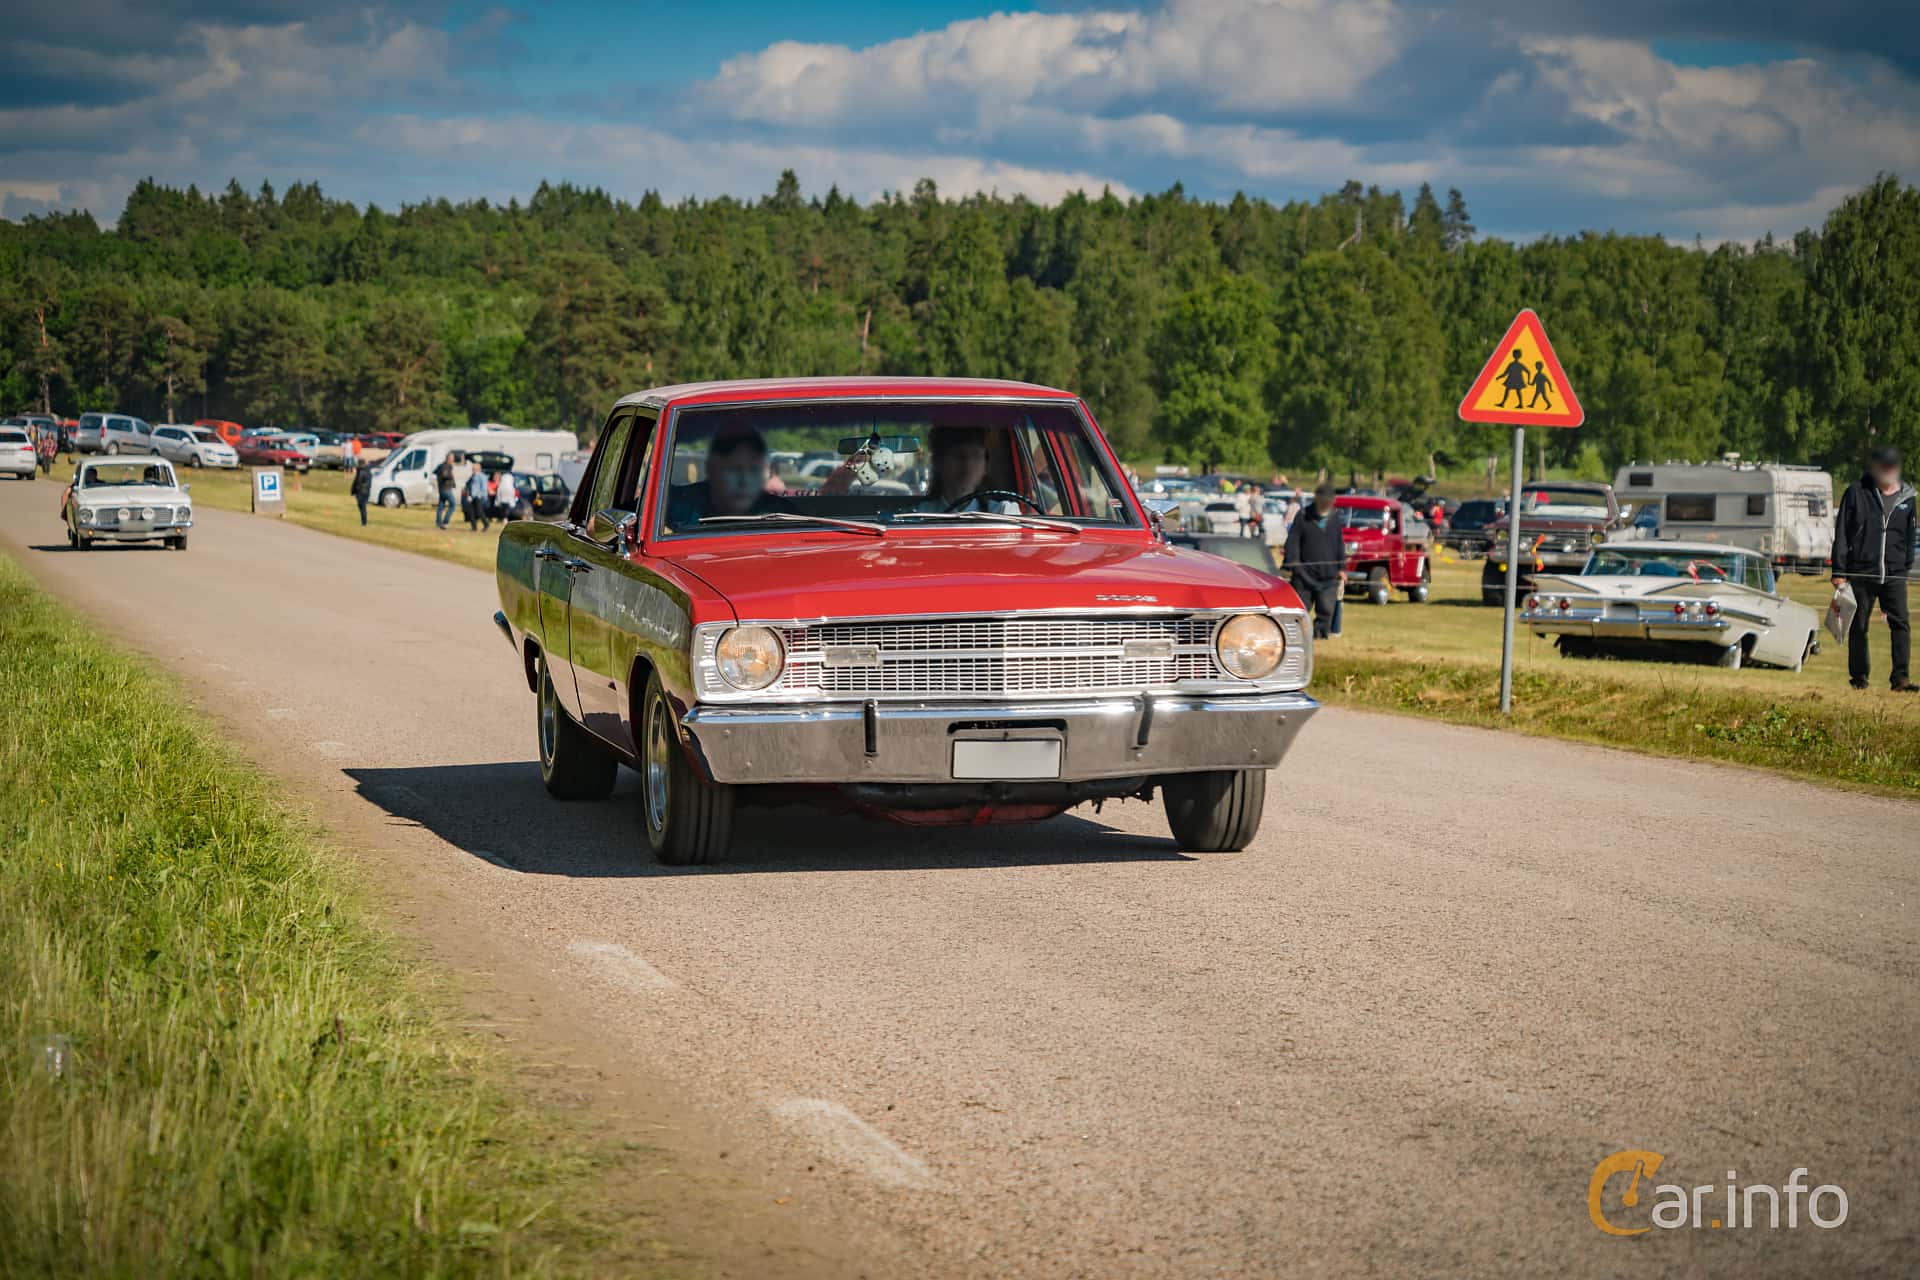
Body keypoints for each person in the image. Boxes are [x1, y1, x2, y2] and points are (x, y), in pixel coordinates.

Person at [1832, 444, 1916, 691]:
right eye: (1883, 466)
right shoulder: (1857, 492)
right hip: (1861, 571)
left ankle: (1901, 679)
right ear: (1875, 466)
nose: (1887, 470)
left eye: (1891, 466)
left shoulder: (1908, 498)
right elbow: (1842, 532)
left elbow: (1909, 535)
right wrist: (1839, 571)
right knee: (1859, 625)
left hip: (1894, 573)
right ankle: (1859, 678)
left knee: (1901, 624)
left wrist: (1905, 565)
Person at [664, 425, 793, 528]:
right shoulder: (681, 506)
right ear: (712, 470)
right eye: (734, 470)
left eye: (754, 470)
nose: (744, 481)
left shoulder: (783, 514)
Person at [1282, 484, 1346, 639]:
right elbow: (1293, 542)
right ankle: (1296, 636)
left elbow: (1339, 544)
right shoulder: (1303, 516)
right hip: (1304, 573)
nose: (1326, 504)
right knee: (1300, 608)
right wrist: (1293, 564)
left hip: (1329, 575)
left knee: (1326, 609)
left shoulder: (1335, 518)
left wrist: (1341, 568)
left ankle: (1320, 634)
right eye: (1323, 501)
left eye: (1328, 501)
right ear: (1317, 499)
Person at [911, 425, 1018, 513]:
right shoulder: (920, 515)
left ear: (985, 466)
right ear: (938, 462)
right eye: (958, 455)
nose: (967, 464)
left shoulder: (1003, 513)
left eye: (976, 455)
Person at [464, 461, 491, 532]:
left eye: (474, 468)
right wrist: (469, 495)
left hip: (478, 497)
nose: (473, 469)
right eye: (473, 468)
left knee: (479, 512)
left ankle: (486, 524)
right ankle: (474, 527)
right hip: (472, 497)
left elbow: (484, 488)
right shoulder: (473, 476)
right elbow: (469, 485)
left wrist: (481, 496)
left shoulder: (482, 476)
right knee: (471, 512)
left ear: (478, 469)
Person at [433, 455, 457, 529]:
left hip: (441, 489)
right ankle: (445, 522)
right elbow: (445, 475)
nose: (453, 460)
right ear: (449, 459)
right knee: (453, 505)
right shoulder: (447, 466)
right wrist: (451, 475)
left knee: (441, 507)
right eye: (452, 459)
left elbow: (434, 472)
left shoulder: (440, 466)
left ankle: (438, 523)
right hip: (446, 489)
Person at [349, 460, 371, 526]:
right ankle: (364, 522)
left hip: (361, 492)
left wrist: (354, 491)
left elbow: (358, 482)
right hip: (366, 492)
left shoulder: (362, 472)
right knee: (362, 507)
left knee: (362, 508)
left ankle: (364, 523)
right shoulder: (368, 471)